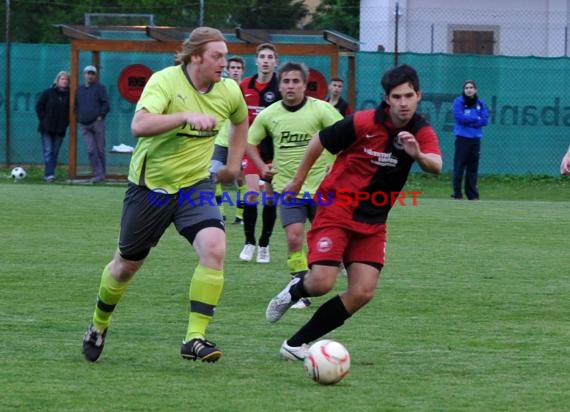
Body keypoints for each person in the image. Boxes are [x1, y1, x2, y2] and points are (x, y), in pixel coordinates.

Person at [81, 27, 249, 364]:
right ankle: (99, 325)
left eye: (226, 55)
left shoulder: (229, 90)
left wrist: (232, 166)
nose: (224, 62)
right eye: (217, 56)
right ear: (196, 56)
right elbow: (139, 126)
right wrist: (184, 116)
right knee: (126, 265)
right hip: (151, 188)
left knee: (215, 247)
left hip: (195, 187)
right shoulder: (165, 81)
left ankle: (194, 337)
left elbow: (241, 121)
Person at [264, 64, 442, 361]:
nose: (403, 103)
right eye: (396, 96)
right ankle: (296, 291)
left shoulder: (421, 130)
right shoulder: (363, 122)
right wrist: (297, 180)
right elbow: (320, 140)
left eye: (409, 95)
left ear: (418, 95)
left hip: (373, 220)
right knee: (322, 282)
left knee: (362, 292)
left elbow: (436, 164)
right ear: (387, 98)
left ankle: (295, 344)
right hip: (337, 207)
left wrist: (418, 156)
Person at [246, 62, 342, 310]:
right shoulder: (269, 114)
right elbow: (249, 142)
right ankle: (298, 286)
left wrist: (335, 164)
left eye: (295, 81)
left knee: (327, 239)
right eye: (286, 81)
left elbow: (346, 134)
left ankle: (335, 266)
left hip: (322, 188)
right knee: (294, 236)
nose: (290, 86)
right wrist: (260, 166)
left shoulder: (321, 109)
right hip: (288, 189)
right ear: (280, 85)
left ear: (305, 84)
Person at [239, 43, 282, 264]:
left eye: (270, 57)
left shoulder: (281, 88)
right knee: (252, 193)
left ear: (276, 62)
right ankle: (249, 242)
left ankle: (264, 244)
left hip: (274, 150)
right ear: (256, 61)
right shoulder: (244, 86)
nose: (265, 60)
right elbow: (238, 120)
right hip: (251, 147)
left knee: (270, 199)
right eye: (262, 56)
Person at [210, 55, 246, 224]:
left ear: (242, 71)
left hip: (239, 143)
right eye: (232, 68)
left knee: (240, 180)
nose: (235, 70)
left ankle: (240, 215)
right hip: (220, 142)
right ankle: (220, 213)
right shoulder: (219, 88)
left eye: (238, 68)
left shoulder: (246, 90)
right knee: (213, 175)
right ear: (228, 70)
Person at [451, 80, 489, 200]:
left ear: (475, 90)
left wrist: (472, 120)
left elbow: (485, 120)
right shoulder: (459, 101)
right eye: (466, 87)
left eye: (471, 87)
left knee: (472, 168)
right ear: (464, 90)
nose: (469, 89)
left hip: (475, 140)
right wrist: (475, 118)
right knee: (459, 167)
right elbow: (460, 118)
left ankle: (472, 195)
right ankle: (457, 193)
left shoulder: (481, 103)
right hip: (462, 139)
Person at [74, 64, 110, 183]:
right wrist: (79, 117)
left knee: (100, 149)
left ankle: (101, 175)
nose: (90, 75)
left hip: (97, 123)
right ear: (84, 74)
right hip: (84, 124)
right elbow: (76, 105)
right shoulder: (79, 89)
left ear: (95, 76)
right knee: (91, 150)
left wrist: (100, 116)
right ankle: (98, 174)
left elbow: (106, 104)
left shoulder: (100, 88)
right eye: (88, 73)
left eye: (92, 73)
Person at [35, 70, 70, 182]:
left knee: (54, 152)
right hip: (47, 128)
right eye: (62, 79)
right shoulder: (48, 92)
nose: (64, 81)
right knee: (48, 151)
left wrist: (66, 122)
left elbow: (71, 112)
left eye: (66, 79)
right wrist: (44, 120)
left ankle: (49, 173)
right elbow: (39, 106)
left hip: (60, 129)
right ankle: (49, 174)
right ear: (57, 80)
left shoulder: (70, 95)